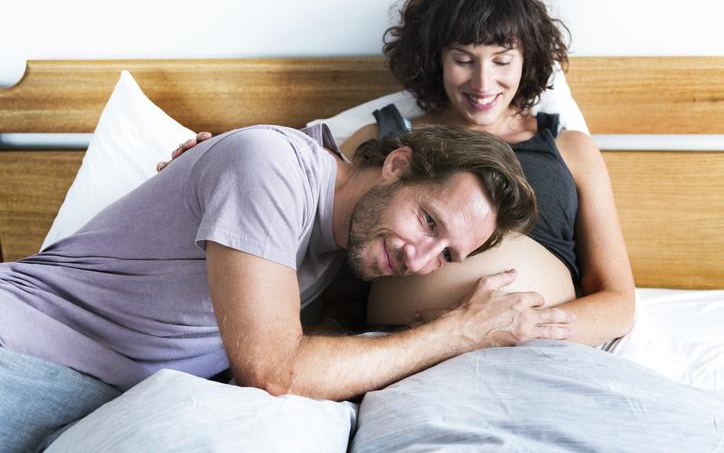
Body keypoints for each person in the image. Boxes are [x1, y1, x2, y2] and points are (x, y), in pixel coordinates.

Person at [0, 122, 576, 452]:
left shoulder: (341, 242)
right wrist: (460, 331)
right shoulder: (271, 165)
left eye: (447, 255)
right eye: (428, 221)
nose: (419, 259)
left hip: (86, 396)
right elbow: (274, 370)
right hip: (22, 350)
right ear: (398, 164)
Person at [165, 0, 635, 347]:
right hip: (401, 354)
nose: (483, 82)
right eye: (464, 58)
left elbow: (618, 300)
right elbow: (300, 208)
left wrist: (520, 329)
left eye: (502, 59)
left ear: (527, 59)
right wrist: (214, 166)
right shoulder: (385, 141)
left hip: (543, 346)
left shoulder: (569, 149)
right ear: (436, 58)